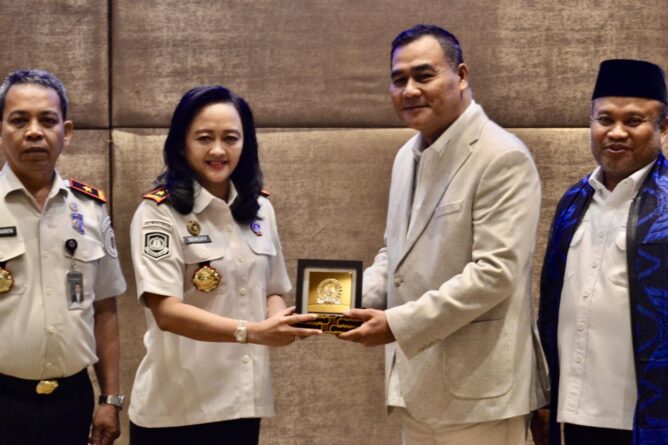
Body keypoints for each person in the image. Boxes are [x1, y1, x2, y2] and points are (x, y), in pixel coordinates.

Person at [339, 24, 547, 444]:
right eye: (399, 80)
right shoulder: (406, 155)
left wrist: (395, 324)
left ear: (461, 75)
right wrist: (338, 300)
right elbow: (393, 254)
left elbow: (494, 274)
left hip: (481, 394)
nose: (410, 90)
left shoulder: (501, 155)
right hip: (417, 388)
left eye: (424, 75)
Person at [128, 85, 321, 445]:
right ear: (181, 143)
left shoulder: (260, 209)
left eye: (230, 138)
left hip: (242, 402)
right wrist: (255, 331)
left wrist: (280, 323)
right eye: (204, 138)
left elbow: (273, 289)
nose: (218, 150)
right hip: (177, 408)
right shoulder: (158, 213)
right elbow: (167, 312)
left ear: (246, 144)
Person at [537, 59, 668, 445]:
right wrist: (544, 395)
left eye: (634, 121)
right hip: (577, 411)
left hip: (650, 416)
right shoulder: (572, 202)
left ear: (663, 127)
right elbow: (550, 305)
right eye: (605, 119)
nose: (616, 132)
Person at [0, 69, 126, 445]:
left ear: (66, 132)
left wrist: (110, 399)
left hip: (72, 401)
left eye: (47, 120)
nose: (34, 131)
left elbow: (105, 309)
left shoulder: (90, 209)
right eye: (19, 120)